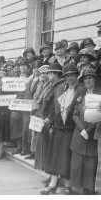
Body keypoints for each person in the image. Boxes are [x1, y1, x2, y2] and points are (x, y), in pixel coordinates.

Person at [40, 63, 80, 195]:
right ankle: (53, 183)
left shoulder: (81, 90)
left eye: (72, 75)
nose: (70, 78)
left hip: (71, 127)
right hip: (58, 125)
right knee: (55, 154)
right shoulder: (63, 89)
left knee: (66, 156)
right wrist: (50, 119)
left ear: (76, 76)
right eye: (67, 76)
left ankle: (68, 184)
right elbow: (55, 108)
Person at [70, 67, 100, 195]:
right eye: (85, 78)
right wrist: (82, 129)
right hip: (79, 132)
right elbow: (74, 113)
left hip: (93, 133)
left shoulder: (100, 95)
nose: (88, 80)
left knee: (90, 162)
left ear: (95, 80)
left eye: (90, 78)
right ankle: (76, 188)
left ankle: (89, 188)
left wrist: (89, 130)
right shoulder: (81, 93)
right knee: (77, 162)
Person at [39, 62, 63, 193]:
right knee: (49, 151)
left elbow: (57, 107)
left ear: (55, 74)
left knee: (53, 152)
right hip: (47, 121)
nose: (48, 75)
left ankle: (54, 180)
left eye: (50, 72)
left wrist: (51, 119)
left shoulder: (59, 86)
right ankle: (51, 176)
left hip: (53, 122)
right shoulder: (52, 85)